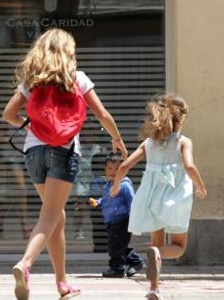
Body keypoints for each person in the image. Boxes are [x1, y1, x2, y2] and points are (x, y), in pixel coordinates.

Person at [2, 28, 127, 300]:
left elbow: (8, 114)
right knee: (49, 217)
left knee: (57, 218)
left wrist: (32, 125)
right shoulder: (77, 79)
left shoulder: (32, 81)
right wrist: (117, 139)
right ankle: (25, 264)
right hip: (63, 151)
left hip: (33, 153)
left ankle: (62, 284)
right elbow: (102, 114)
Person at [111, 94, 207, 300]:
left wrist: (115, 187)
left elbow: (125, 165)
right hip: (175, 198)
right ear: (180, 119)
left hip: (151, 198)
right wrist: (200, 187)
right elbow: (189, 166)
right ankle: (157, 264)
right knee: (178, 247)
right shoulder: (183, 141)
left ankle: (153, 289)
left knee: (156, 244)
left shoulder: (148, 143)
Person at [90, 152, 145, 278]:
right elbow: (107, 199)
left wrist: (134, 219)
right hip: (111, 221)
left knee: (114, 247)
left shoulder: (124, 184)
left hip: (122, 220)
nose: (112, 172)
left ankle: (116, 269)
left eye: (117, 169)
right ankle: (136, 262)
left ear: (124, 169)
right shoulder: (107, 185)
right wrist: (98, 202)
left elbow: (132, 201)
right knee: (119, 246)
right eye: (109, 168)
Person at [88, 152, 108, 253]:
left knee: (97, 228)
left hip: (96, 209)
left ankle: (99, 246)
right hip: (102, 207)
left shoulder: (94, 180)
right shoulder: (103, 180)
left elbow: (92, 195)